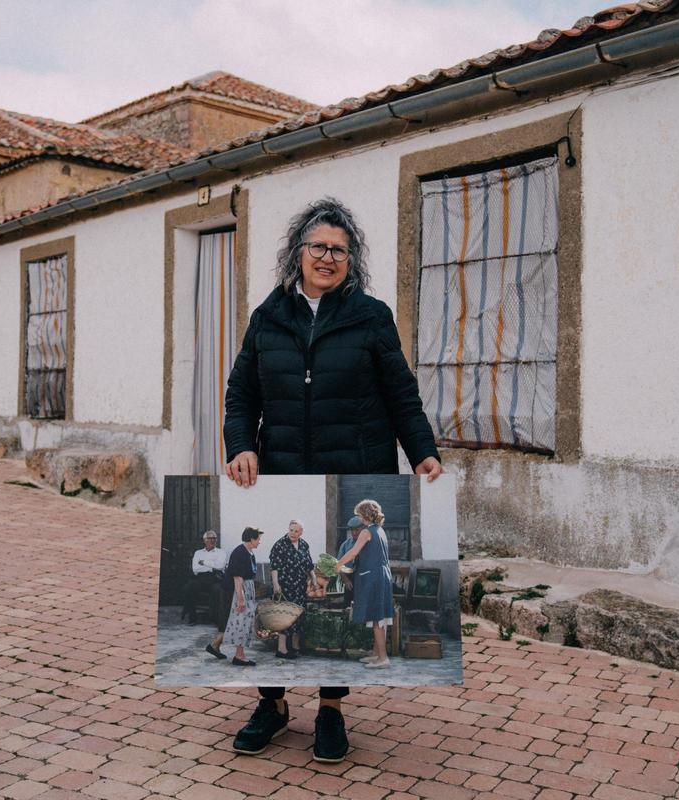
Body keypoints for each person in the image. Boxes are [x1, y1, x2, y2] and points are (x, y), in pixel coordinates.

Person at [223, 197, 443, 763]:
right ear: (298, 252)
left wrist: (423, 452)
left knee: (335, 602)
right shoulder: (268, 316)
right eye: (318, 247)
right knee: (282, 604)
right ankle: (270, 705)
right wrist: (241, 444)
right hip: (281, 464)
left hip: (358, 458)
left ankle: (330, 709)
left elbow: (401, 395)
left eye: (339, 250)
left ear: (352, 260)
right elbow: (241, 394)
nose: (327, 257)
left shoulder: (371, 316)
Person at [336, 500, 394, 668]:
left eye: (359, 515)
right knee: (380, 616)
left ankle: (383, 659)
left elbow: (353, 553)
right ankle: (376, 654)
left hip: (373, 577)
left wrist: (338, 564)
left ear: (365, 515)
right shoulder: (380, 530)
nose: (358, 518)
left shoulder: (366, 532)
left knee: (376, 618)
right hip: (382, 575)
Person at [206, 527, 263, 666]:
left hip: (245, 589)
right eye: (258, 539)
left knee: (236, 621)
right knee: (240, 621)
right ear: (251, 539)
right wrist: (241, 599)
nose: (260, 542)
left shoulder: (249, 552)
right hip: (236, 591)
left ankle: (215, 645)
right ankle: (239, 656)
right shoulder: (240, 552)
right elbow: (237, 577)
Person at [268, 520, 316, 660]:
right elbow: (274, 567)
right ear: (288, 530)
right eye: (291, 530)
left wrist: (313, 579)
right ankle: (281, 650)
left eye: (296, 531)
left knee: (299, 616)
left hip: (300, 586)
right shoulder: (279, 545)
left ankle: (295, 647)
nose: (293, 533)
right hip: (285, 586)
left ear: (301, 532)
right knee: (285, 617)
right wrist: (276, 584)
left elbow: (309, 564)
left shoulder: (303, 544)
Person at [182, 530, 226, 624]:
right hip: (201, 579)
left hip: (215, 578)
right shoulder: (198, 553)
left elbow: (220, 566)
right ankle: (192, 617)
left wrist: (204, 563)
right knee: (188, 588)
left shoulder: (221, 552)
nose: (212, 540)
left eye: (214, 538)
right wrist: (211, 567)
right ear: (204, 540)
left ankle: (214, 618)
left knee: (218, 590)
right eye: (209, 538)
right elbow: (195, 568)